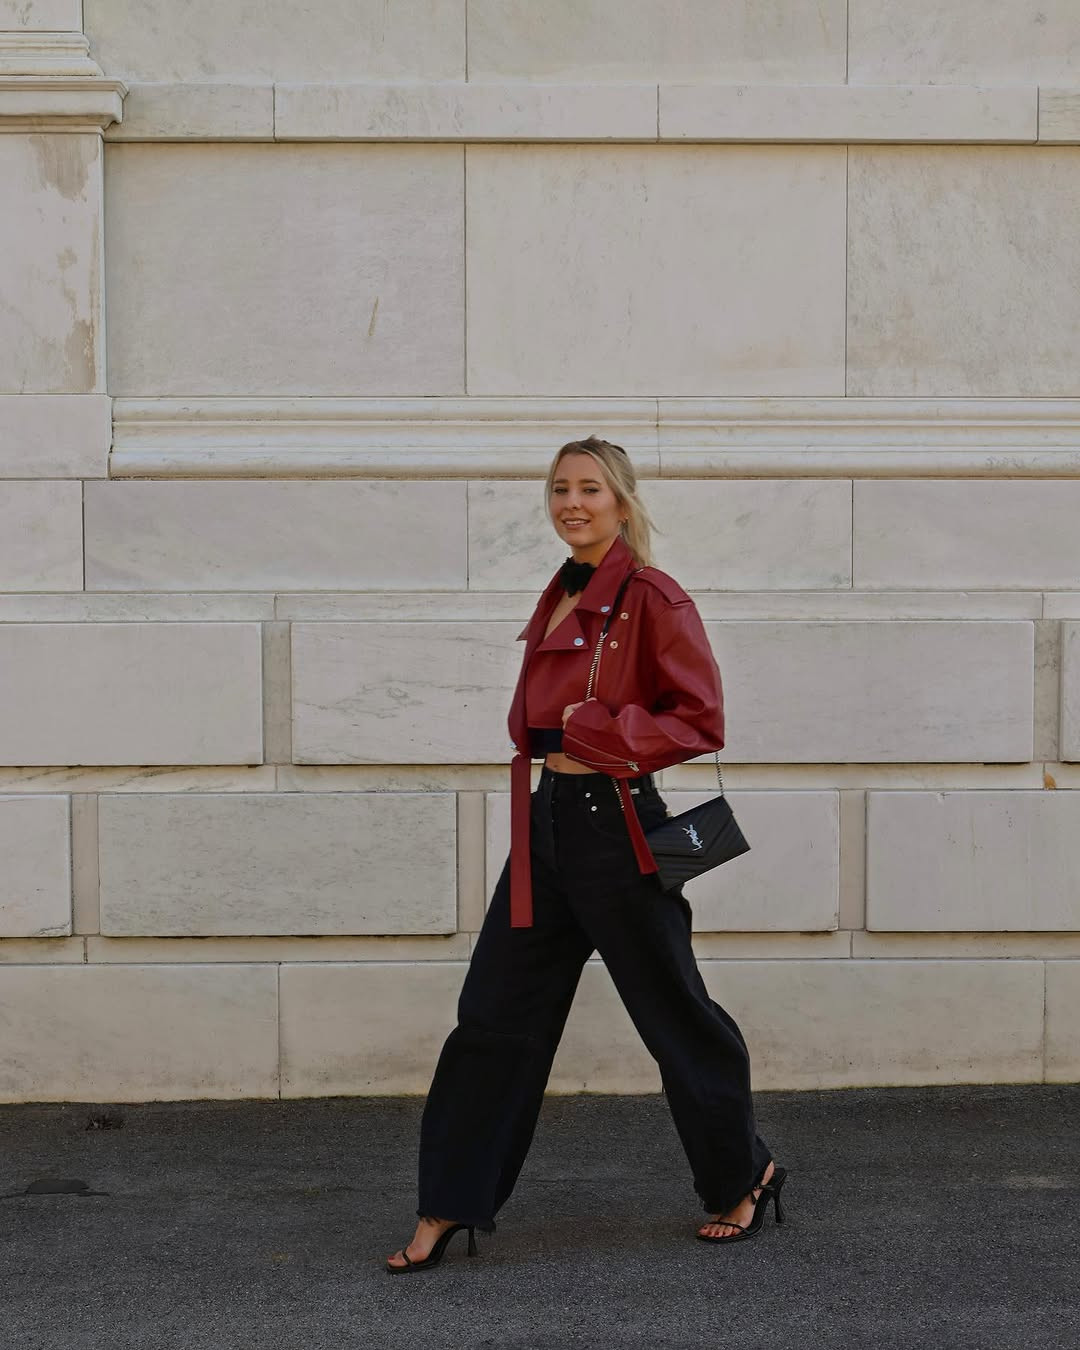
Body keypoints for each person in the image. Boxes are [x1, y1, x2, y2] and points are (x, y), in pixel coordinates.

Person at [386, 436, 787, 1273]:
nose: (572, 503)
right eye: (560, 489)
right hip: (548, 821)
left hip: (620, 828)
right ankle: (448, 1204)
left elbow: (700, 717)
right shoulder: (563, 591)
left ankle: (742, 1175)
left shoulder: (652, 596)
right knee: (494, 1016)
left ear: (623, 501)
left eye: (590, 490)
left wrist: (606, 732)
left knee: (673, 1011)